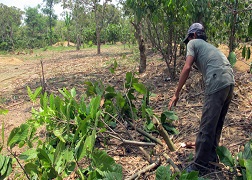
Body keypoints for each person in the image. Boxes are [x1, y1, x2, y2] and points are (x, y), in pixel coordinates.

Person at [168, 23, 235, 174]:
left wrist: (176, 93)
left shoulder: (193, 43)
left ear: (195, 35)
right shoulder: (210, 47)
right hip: (229, 81)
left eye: (189, 38)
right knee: (216, 124)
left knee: (206, 126)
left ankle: (199, 166)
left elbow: (187, 67)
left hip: (217, 81)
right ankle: (211, 159)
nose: (188, 42)